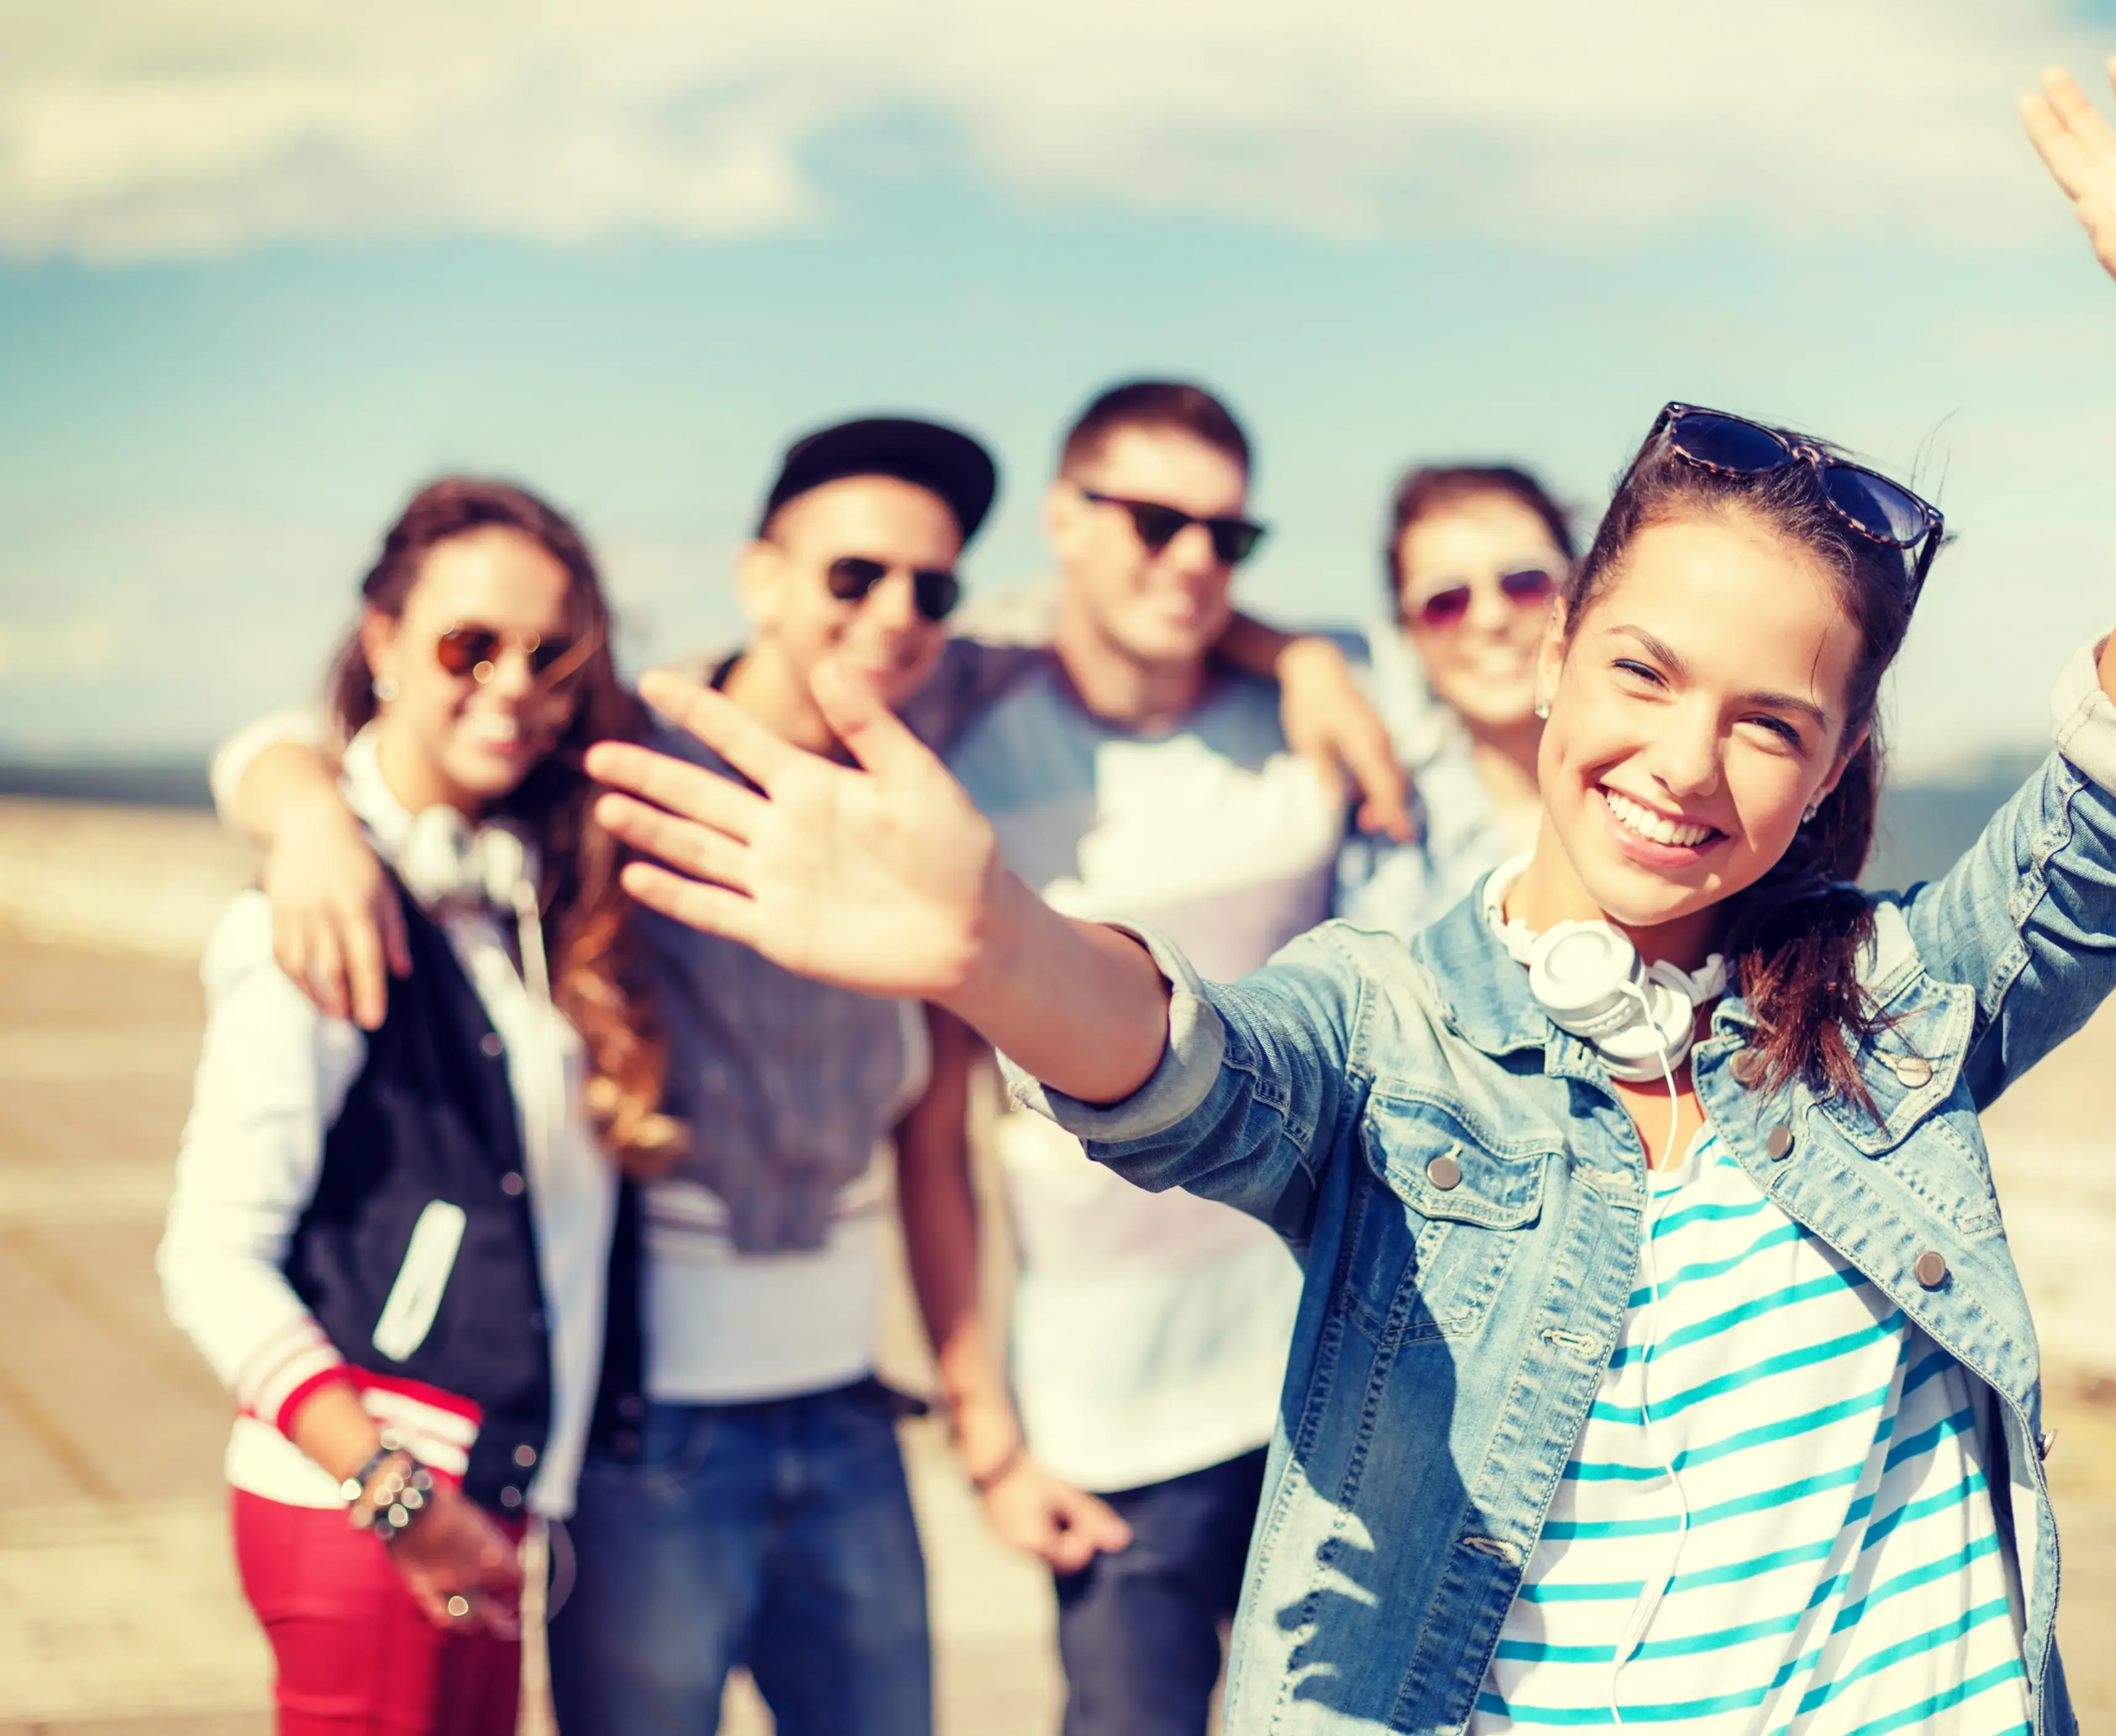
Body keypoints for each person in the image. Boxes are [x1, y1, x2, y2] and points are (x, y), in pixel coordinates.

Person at [580, 60, 2116, 1736]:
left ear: (1831, 763)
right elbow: (1202, 1074)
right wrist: (1000, 950)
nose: (1685, 761)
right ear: (1558, 664)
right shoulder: (1391, 1024)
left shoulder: (1896, 1000)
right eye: (1643, 674)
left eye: (1769, 723)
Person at [208, 412, 1405, 1735]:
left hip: (849, 1419)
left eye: (929, 587)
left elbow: (1128, 619)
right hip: (650, 1433)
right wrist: (298, 805)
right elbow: (422, 720)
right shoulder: (627, 751)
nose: (893, 614)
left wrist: (1293, 652)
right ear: (760, 574)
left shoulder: (935, 708)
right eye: (851, 576)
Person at [159, 478, 667, 1735]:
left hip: (472, 1505)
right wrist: (395, 1497)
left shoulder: (515, 896)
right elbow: (209, 1258)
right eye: (468, 644)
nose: (515, 683)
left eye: (552, 655)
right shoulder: (318, 915)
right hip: (376, 1510)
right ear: (380, 640)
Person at [941, 381, 1378, 1735]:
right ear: (1063, 520)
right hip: (1107, 1416)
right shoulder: (958, 749)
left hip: (1338, 1372)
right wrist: (985, 1432)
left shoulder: (1323, 711)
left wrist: (1300, 656)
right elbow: (929, 1124)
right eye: (1153, 523)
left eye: (1226, 538)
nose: (1192, 561)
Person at [1337, 465, 1576, 934]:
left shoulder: (1663, 782)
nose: (1491, 618)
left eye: (1526, 581)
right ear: (1407, 633)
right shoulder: (1389, 811)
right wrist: (1305, 664)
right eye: (1444, 601)